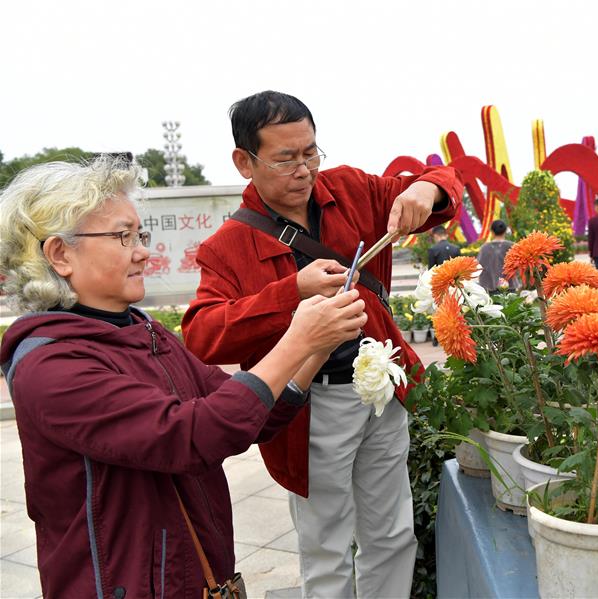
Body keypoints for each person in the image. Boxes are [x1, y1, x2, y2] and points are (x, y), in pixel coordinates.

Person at [0, 157, 367, 597]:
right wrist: (297, 340)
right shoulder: (52, 366)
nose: (142, 251)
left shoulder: (143, 330)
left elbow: (245, 413)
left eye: (140, 234)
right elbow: (192, 437)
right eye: (123, 236)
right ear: (60, 254)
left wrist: (315, 350)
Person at [181, 91, 462, 598]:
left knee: (393, 534)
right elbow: (202, 332)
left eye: (310, 152)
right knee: (327, 546)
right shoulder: (227, 246)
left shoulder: (351, 190)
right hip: (309, 408)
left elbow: (443, 180)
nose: (304, 169)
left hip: (380, 392)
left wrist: (428, 192)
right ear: (244, 161)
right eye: (285, 158)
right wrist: (292, 291)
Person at [477, 219, 516, 292]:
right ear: (505, 231)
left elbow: (478, 268)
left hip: (490, 287)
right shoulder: (512, 246)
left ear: (492, 232)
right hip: (510, 286)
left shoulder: (484, 248)